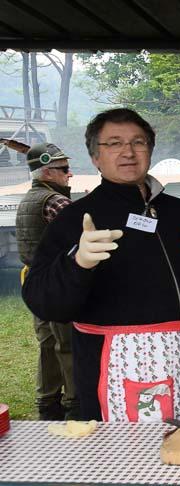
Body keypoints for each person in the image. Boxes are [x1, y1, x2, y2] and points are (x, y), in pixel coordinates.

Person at [22, 108, 180, 421]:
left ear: (150, 150)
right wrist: (76, 263)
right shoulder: (76, 219)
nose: (128, 152)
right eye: (113, 143)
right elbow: (42, 300)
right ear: (95, 157)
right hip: (117, 366)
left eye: (138, 142)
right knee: (128, 464)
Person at [15, 143, 77, 420]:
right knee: (68, 344)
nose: (70, 174)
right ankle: (75, 404)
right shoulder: (56, 201)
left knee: (47, 344)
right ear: (48, 173)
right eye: (64, 169)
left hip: (34, 281)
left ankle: (47, 403)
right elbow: (82, 237)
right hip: (57, 282)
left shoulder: (29, 199)